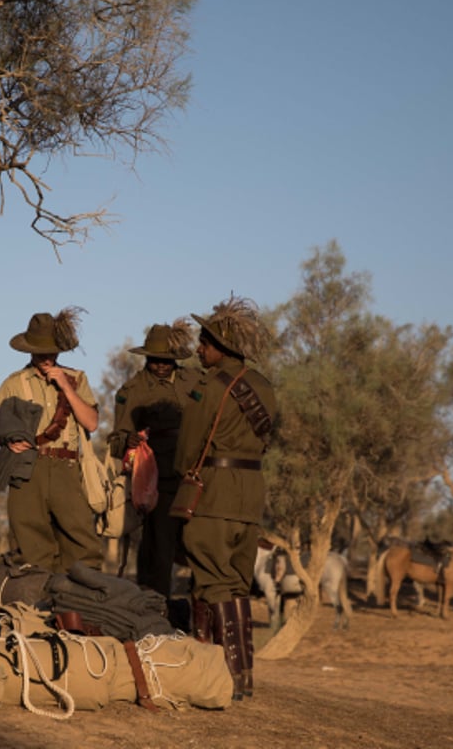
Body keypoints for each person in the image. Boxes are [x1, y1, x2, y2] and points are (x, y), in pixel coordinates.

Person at [171, 296, 277, 701]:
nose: (199, 349)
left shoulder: (210, 386)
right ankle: (243, 677)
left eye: (204, 342)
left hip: (214, 492)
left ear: (221, 347)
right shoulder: (265, 386)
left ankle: (223, 679)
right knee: (236, 583)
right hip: (250, 496)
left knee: (213, 582)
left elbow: (188, 447)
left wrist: (183, 476)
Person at [0, 308, 103, 573]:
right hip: (27, 470)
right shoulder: (13, 383)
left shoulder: (77, 379)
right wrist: (7, 440)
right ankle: (37, 613)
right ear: (29, 350)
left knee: (82, 544)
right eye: (39, 350)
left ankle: (79, 611)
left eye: (50, 350)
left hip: (67, 469)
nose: (45, 356)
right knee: (30, 550)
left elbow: (91, 423)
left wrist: (65, 387)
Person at [106, 319, 201, 600]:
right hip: (159, 480)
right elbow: (116, 440)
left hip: (197, 475)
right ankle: (157, 613)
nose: (160, 365)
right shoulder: (132, 390)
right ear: (146, 357)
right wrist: (129, 441)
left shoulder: (196, 382)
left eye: (167, 360)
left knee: (201, 546)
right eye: (155, 359)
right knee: (160, 549)